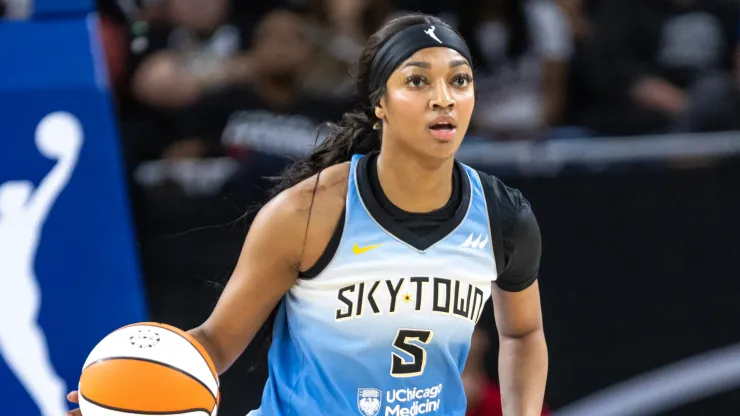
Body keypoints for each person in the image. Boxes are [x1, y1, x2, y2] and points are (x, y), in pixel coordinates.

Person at [67, 12, 548, 416]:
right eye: (417, 80)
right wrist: (122, 394)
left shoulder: (501, 215)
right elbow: (214, 342)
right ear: (380, 103)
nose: (443, 97)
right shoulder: (308, 211)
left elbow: (523, 332)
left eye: (459, 79)